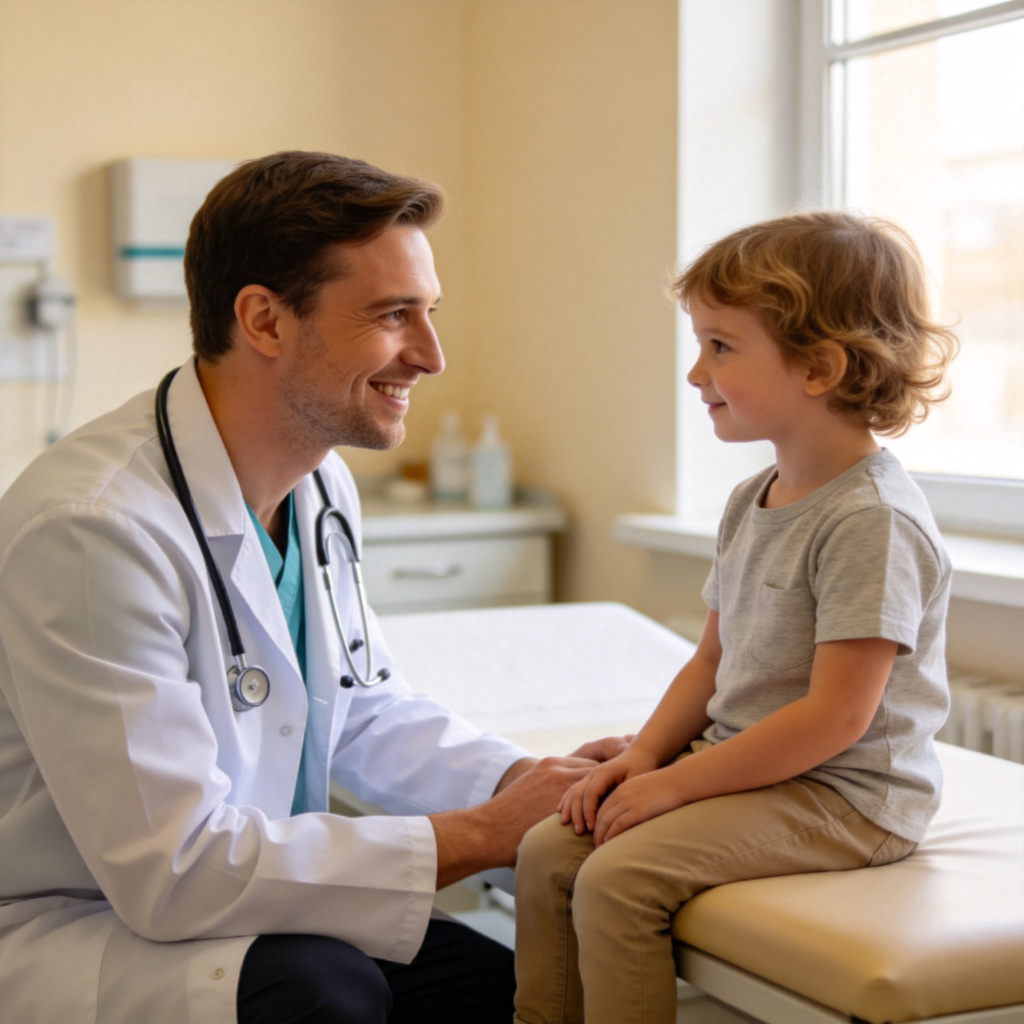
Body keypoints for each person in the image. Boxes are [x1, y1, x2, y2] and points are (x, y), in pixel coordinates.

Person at [0, 151, 624, 1024]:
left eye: (429, 313)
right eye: (393, 315)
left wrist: (537, 785)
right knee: (324, 996)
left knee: (494, 981)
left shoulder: (319, 484)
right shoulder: (93, 528)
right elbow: (169, 868)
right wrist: (483, 835)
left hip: (247, 897)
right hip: (82, 924)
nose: (433, 355)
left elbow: (362, 706)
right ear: (263, 320)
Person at [512, 210, 959, 1024]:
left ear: (820, 366)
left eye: (720, 346)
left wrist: (677, 785)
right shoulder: (751, 500)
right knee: (548, 850)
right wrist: (646, 756)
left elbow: (835, 718)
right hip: (758, 770)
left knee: (618, 876)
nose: (695, 374)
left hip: (847, 796)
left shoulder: (872, 520)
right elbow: (710, 665)